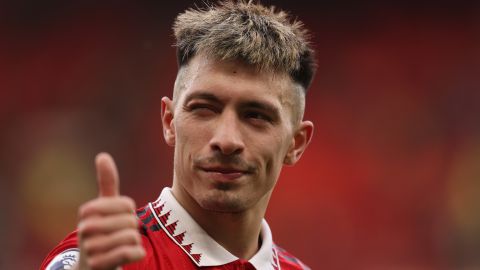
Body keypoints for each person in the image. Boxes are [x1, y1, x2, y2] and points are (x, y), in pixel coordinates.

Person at [40, 0, 316, 269]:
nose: (227, 140)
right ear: (169, 121)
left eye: (256, 116)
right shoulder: (109, 261)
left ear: (296, 143)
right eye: (204, 109)